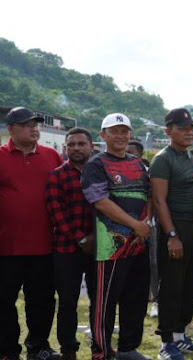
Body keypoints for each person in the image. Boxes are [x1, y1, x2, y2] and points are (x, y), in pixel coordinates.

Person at [81, 113, 152, 360]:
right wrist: (135, 224)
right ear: (103, 135)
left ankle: (128, 349)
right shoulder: (96, 164)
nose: (121, 136)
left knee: (136, 299)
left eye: (125, 131)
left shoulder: (138, 163)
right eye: (115, 131)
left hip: (140, 243)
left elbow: (149, 196)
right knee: (105, 303)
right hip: (111, 246)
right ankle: (100, 352)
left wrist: (144, 225)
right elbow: (100, 201)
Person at [150, 108, 193, 360]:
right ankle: (166, 342)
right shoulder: (162, 159)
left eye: (191, 128)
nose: (189, 132)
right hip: (175, 227)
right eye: (182, 128)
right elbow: (159, 201)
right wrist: (172, 235)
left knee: (192, 284)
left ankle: (180, 336)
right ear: (168, 131)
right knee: (172, 286)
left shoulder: (192, 155)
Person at [0, 107, 63, 360]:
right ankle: (6, 350)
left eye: (35, 124)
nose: (34, 128)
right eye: (27, 125)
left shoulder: (52, 156)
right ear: (11, 129)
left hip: (45, 245)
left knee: (42, 301)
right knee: (3, 301)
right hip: (6, 246)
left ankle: (38, 347)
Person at [45, 127, 95, 360]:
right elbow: (57, 213)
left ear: (91, 147)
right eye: (71, 144)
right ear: (65, 148)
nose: (76, 148)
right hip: (66, 249)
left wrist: (96, 238)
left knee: (100, 301)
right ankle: (68, 349)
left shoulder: (100, 173)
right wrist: (81, 238)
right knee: (67, 302)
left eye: (81, 144)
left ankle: (100, 344)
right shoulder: (56, 175)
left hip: (99, 248)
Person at [127, 140, 159, 317]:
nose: (128, 155)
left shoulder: (147, 174)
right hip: (124, 227)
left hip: (149, 225)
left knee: (153, 264)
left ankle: (156, 300)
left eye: (131, 152)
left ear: (140, 155)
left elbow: (153, 198)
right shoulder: (114, 172)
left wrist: (148, 220)